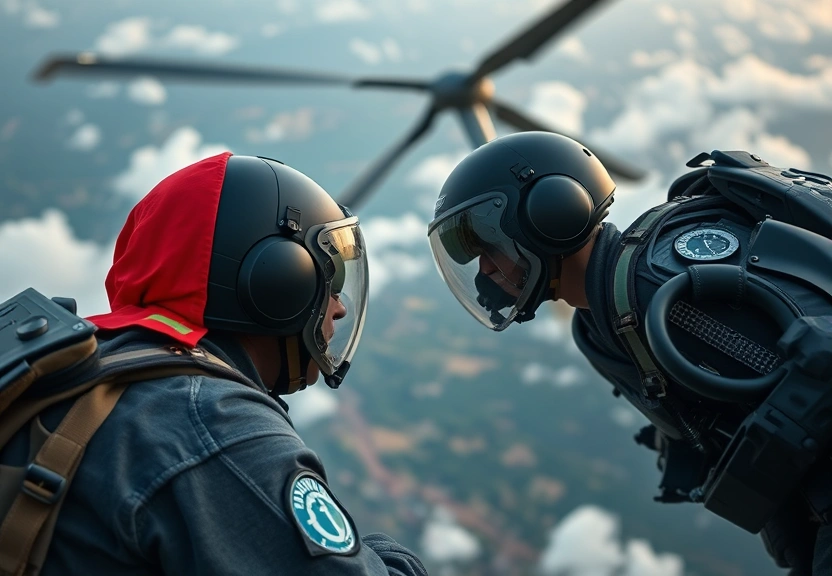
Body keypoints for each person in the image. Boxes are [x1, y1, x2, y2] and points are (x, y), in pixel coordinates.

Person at [0, 153, 428, 575]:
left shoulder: (96, 361)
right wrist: (386, 555)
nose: (339, 308)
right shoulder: (214, 424)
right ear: (279, 279)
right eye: (328, 281)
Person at [427, 131, 832, 575]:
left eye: (489, 246)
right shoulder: (602, 319)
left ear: (553, 213)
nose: (485, 269)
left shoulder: (660, 292)